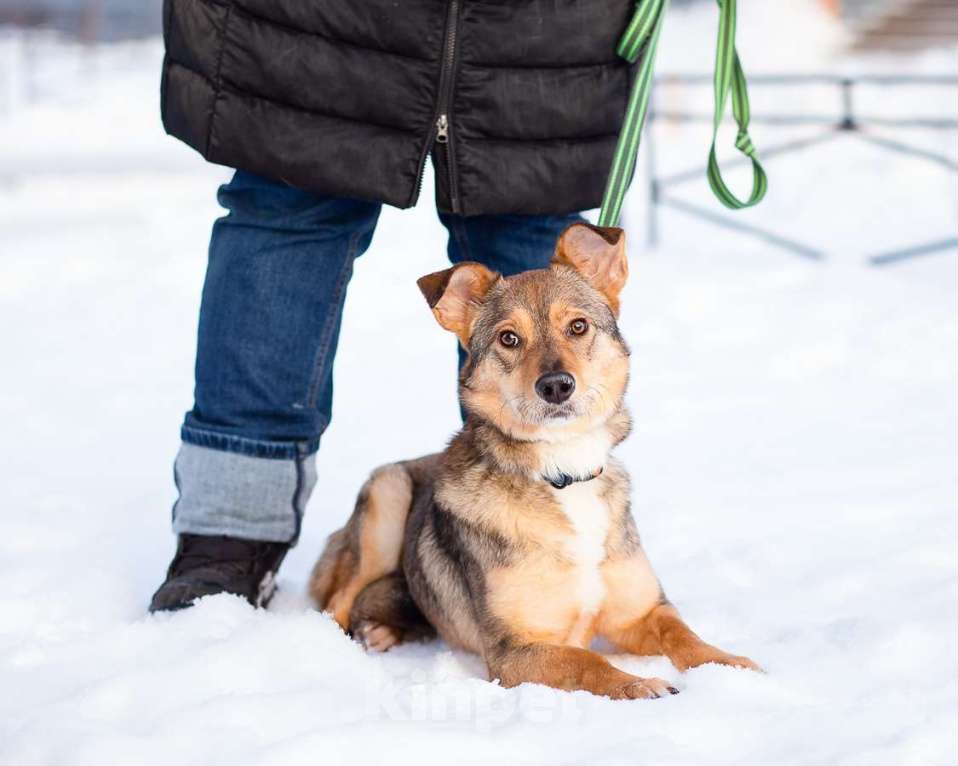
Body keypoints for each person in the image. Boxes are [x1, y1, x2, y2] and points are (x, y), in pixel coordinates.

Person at [150, 0, 636, 611]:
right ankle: (230, 529)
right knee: (289, 208)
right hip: (313, 23)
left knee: (531, 233)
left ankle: (535, 532)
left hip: (540, 27)